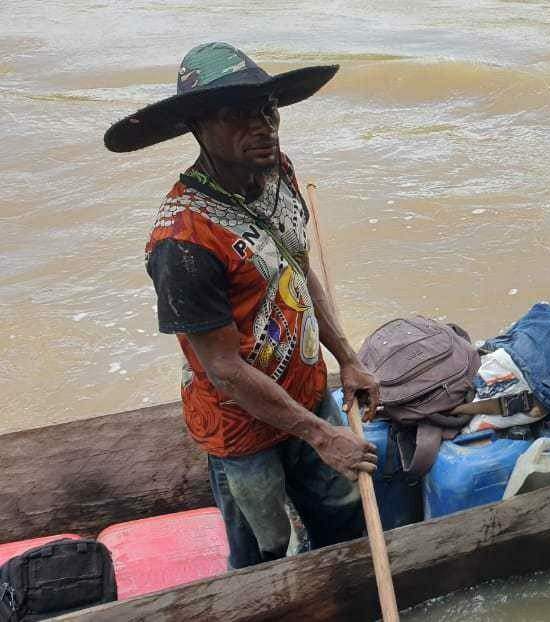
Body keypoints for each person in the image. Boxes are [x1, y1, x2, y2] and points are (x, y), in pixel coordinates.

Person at [104, 42, 380, 568]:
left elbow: (298, 270)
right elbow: (224, 369)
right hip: (240, 422)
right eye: (239, 115)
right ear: (198, 127)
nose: (264, 126)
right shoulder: (182, 240)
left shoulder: (279, 172)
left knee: (343, 518)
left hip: (308, 390)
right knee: (265, 547)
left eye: (268, 109)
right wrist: (323, 435)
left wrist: (347, 358)